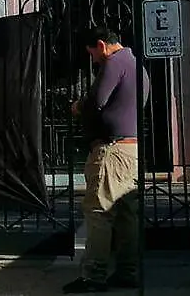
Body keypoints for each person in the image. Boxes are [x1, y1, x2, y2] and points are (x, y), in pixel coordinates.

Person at [63, 27, 150, 294]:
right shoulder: (138, 65)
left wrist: (78, 107)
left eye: (93, 54)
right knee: (127, 215)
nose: (94, 61)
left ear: (102, 45)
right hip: (132, 149)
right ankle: (128, 271)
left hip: (111, 152)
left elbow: (97, 101)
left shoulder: (114, 63)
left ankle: (94, 275)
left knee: (99, 211)